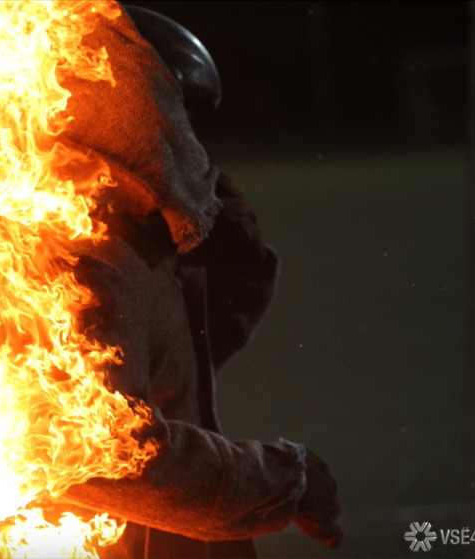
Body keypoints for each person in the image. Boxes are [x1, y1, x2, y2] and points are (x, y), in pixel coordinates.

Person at [58, 5, 343, 558]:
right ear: (132, 107)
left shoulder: (139, 237)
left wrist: (229, 242)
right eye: (180, 118)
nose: (188, 141)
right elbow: (99, 452)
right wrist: (283, 481)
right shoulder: (87, 257)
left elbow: (199, 349)